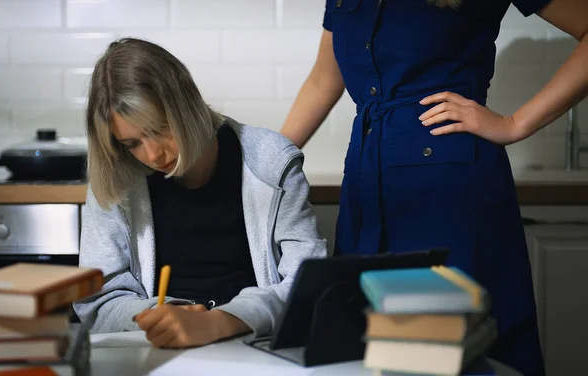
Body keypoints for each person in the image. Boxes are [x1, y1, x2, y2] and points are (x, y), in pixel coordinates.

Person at [279, 1, 587, 375]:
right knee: (364, 342)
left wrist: (514, 124)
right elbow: (322, 81)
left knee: (459, 342)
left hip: (449, 189)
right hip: (366, 182)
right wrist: (269, 164)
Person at [73, 38, 327, 349]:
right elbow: (98, 302)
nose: (153, 155)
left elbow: (308, 284)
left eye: (158, 129)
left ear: (186, 104)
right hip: (156, 349)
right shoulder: (116, 176)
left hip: (254, 344)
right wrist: (166, 319)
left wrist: (218, 322)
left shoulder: (272, 162)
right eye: (132, 144)